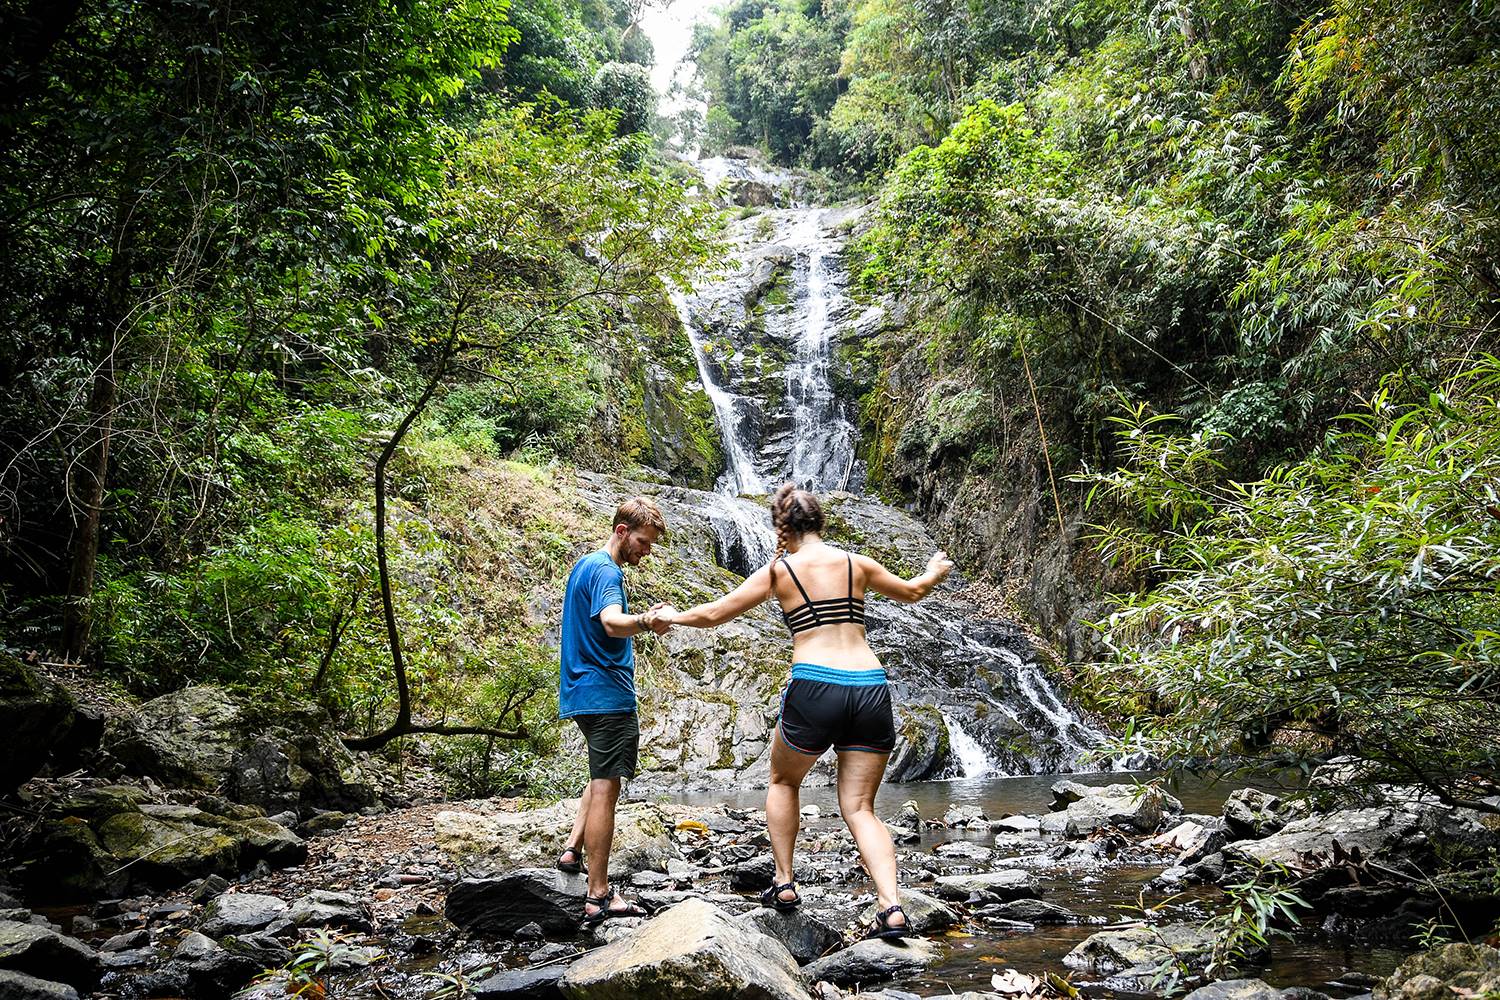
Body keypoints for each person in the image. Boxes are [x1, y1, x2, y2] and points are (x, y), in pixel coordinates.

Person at [657, 483, 953, 939]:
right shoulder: (857, 563)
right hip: (870, 686)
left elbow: (716, 613)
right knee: (859, 807)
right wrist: (933, 571)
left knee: (783, 779)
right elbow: (914, 591)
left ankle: (785, 882)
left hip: (815, 684)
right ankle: (891, 906)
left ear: (782, 526)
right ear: (820, 521)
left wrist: (671, 616)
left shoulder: (780, 572)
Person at [554, 496, 672, 924]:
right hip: (607, 696)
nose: (647, 550)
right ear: (622, 531)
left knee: (598, 775)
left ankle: (572, 848)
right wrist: (645, 620)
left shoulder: (584, 564)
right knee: (608, 786)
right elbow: (610, 621)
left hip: (583, 694)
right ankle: (598, 894)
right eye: (643, 541)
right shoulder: (607, 570)